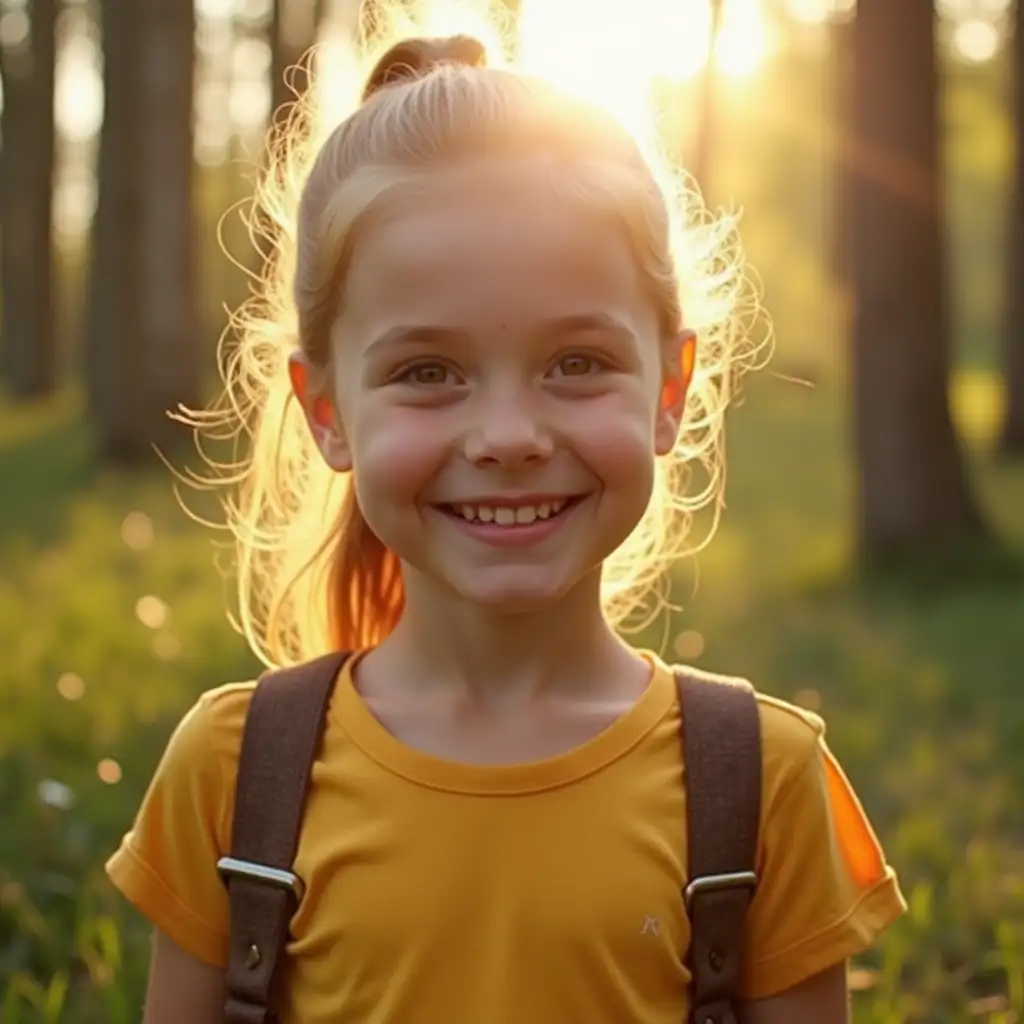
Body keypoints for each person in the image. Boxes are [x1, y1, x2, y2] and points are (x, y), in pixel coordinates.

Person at [106, 18, 906, 1024]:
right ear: (328, 412)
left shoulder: (759, 784)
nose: (509, 434)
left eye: (575, 362)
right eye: (427, 373)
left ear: (669, 387)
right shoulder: (232, 773)